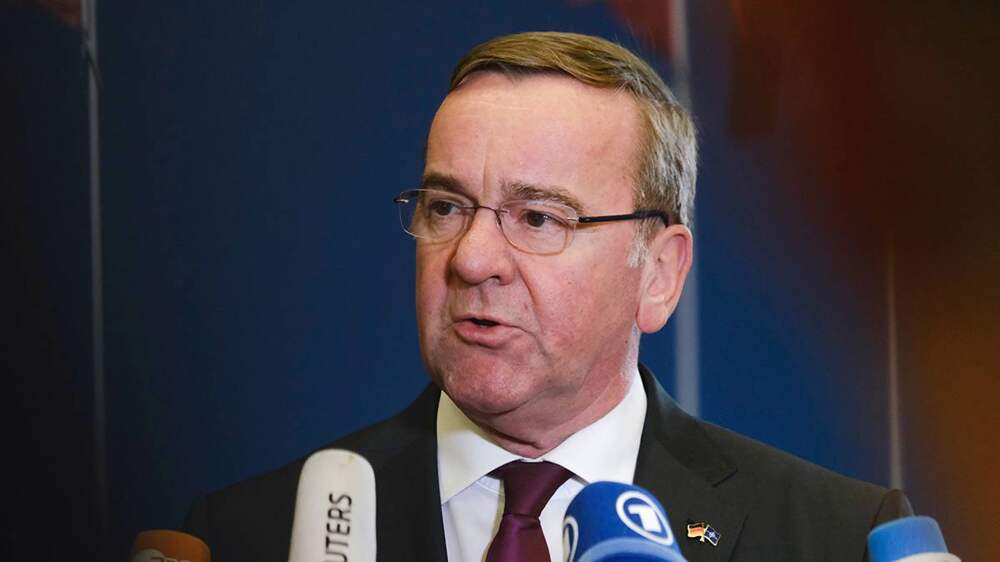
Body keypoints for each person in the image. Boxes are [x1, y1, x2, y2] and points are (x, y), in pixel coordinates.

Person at [183, 31, 911, 562]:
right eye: (446, 207)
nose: (471, 260)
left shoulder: (837, 539)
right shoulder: (246, 537)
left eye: (537, 218)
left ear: (659, 273)